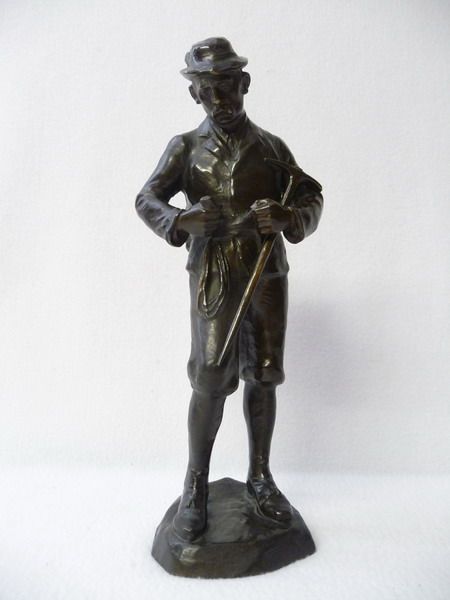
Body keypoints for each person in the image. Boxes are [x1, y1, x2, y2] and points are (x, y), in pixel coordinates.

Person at [136, 37, 323, 541]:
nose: (219, 100)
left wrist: (288, 217)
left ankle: (260, 477)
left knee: (264, 373)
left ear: (245, 83)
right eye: (208, 90)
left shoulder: (272, 148)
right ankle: (195, 484)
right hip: (214, 275)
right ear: (194, 94)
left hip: (266, 274)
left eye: (227, 87)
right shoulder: (185, 148)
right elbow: (147, 198)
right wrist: (181, 220)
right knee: (211, 376)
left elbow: (310, 196)